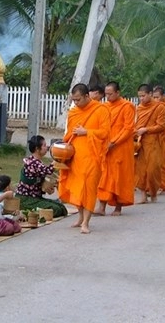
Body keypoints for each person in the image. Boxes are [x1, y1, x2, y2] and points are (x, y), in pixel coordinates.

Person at [58, 83, 110, 233]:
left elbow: (105, 132)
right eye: (74, 100)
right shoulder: (73, 112)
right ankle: (80, 217)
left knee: (89, 188)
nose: (76, 103)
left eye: (78, 99)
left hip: (93, 156)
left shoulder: (101, 110)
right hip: (75, 156)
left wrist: (86, 131)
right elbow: (69, 134)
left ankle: (86, 222)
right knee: (77, 188)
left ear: (87, 96)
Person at [96, 81, 136, 216]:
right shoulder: (105, 107)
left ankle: (118, 207)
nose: (108, 97)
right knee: (104, 177)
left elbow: (128, 128)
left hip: (121, 148)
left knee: (119, 177)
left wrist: (114, 142)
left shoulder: (127, 106)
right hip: (106, 148)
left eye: (110, 94)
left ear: (118, 93)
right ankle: (101, 207)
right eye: (106, 94)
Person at [15, 135, 68, 218]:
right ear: (37, 149)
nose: (46, 147)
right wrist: (57, 159)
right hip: (26, 199)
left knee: (61, 206)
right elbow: (48, 171)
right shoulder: (33, 163)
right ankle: (28, 212)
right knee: (56, 209)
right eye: (43, 145)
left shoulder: (35, 161)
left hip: (34, 198)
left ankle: (33, 210)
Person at [135, 84, 165, 204]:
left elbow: (161, 126)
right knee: (141, 170)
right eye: (139, 96)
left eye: (143, 96)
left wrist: (146, 129)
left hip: (154, 142)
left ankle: (153, 193)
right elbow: (135, 124)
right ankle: (143, 195)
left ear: (150, 94)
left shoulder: (160, 107)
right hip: (141, 143)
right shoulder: (138, 108)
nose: (141, 99)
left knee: (153, 169)